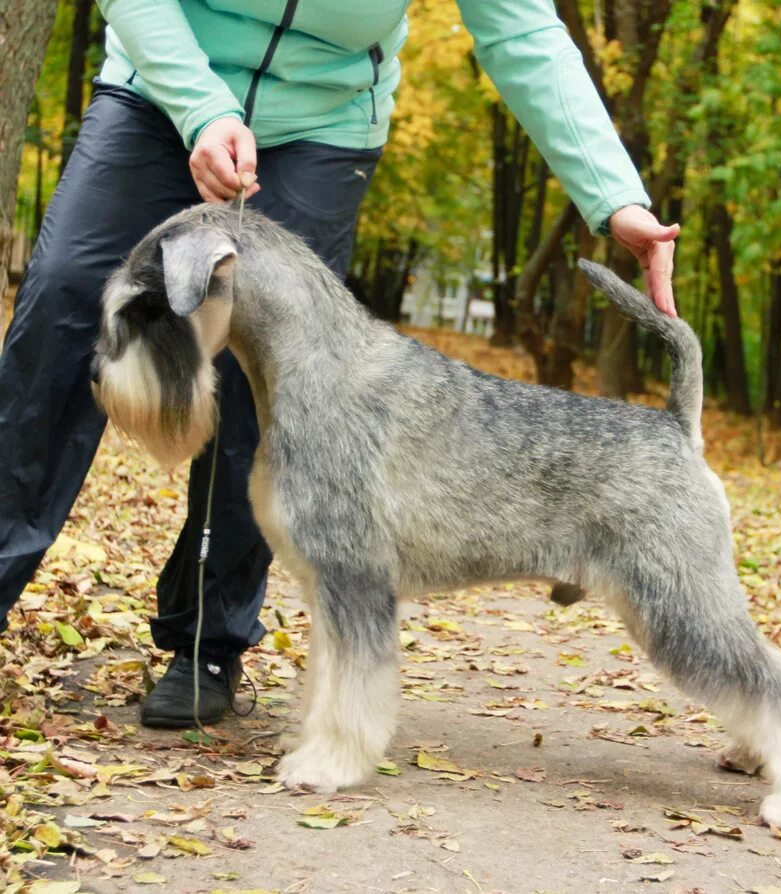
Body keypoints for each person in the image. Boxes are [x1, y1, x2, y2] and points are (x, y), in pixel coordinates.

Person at [0, 0, 679, 728]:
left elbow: (522, 27)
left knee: (285, 389)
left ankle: (209, 643)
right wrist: (200, 106)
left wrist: (615, 198)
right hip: (159, 84)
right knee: (64, 302)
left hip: (322, 129)